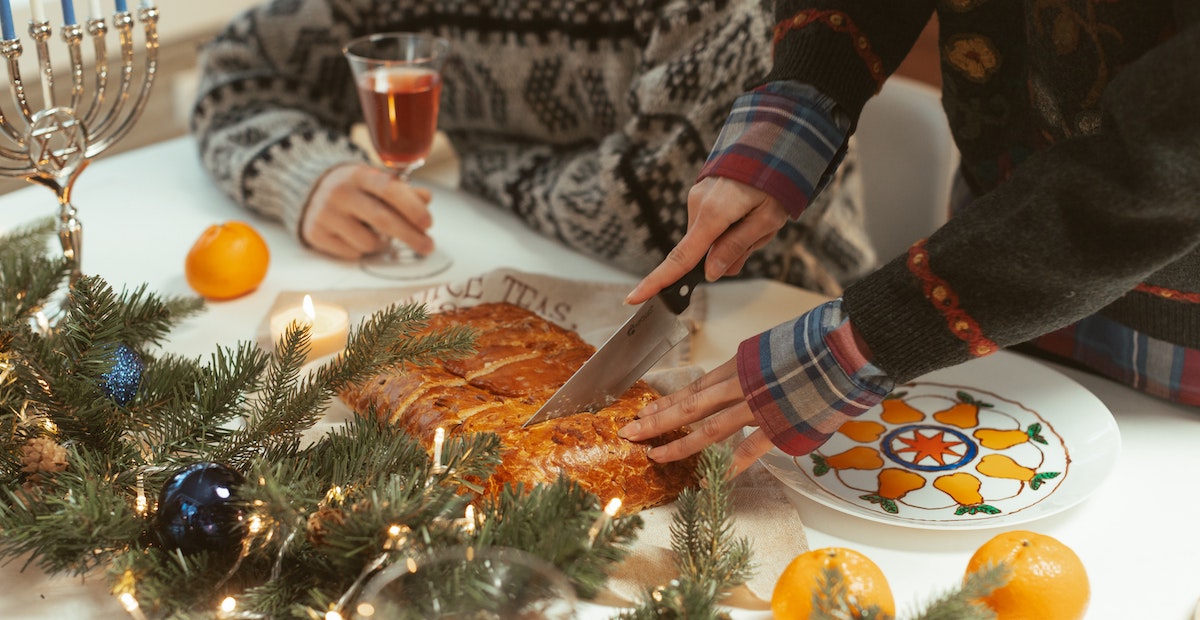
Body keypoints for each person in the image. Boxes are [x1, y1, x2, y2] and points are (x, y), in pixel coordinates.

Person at [619, 1, 1200, 476]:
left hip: (1176, 337)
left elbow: (1169, 163)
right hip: (991, 247)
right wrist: (799, 105)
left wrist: (880, 332)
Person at [190, 0, 876, 297]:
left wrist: (470, 165)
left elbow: (657, 223)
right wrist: (306, 176)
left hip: (768, 306)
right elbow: (238, 69)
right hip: (506, 269)